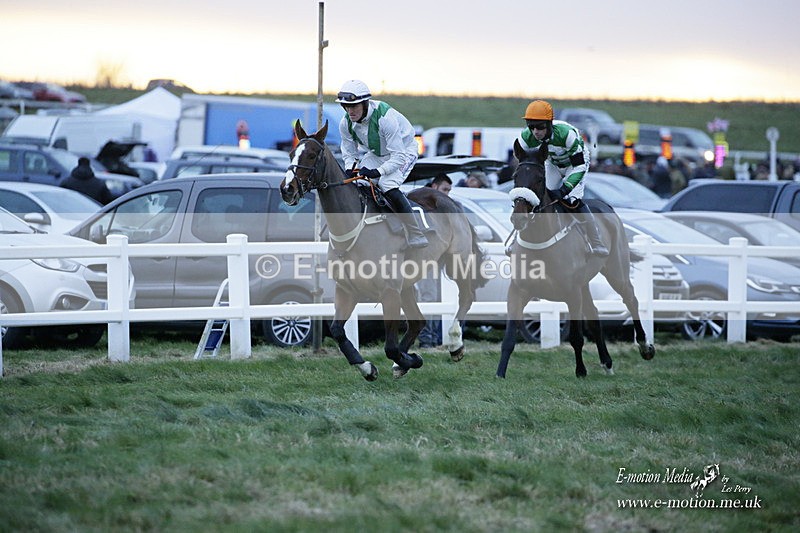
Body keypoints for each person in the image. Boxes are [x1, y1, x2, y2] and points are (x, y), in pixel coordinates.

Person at [336, 79, 428, 248]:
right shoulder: (345, 123)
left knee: (387, 183)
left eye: (354, 106)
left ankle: (415, 231)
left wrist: (378, 172)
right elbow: (349, 153)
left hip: (404, 151)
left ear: (364, 104)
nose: (350, 111)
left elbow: (398, 157)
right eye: (346, 107)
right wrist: (350, 168)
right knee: (360, 182)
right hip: (378, 153)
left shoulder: (385, 118)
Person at [517, 99, 609, 256]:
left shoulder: (566, 135)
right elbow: (522, 159)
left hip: (575, 165)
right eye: (531, 126)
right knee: (541, 197)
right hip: (553, 164)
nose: (535, 132)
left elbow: (579, 166)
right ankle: (523, 238)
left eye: (540, 127)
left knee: (571, 200)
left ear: (549, 125)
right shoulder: (526, 138)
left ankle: (596, 241)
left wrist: (565, 188)